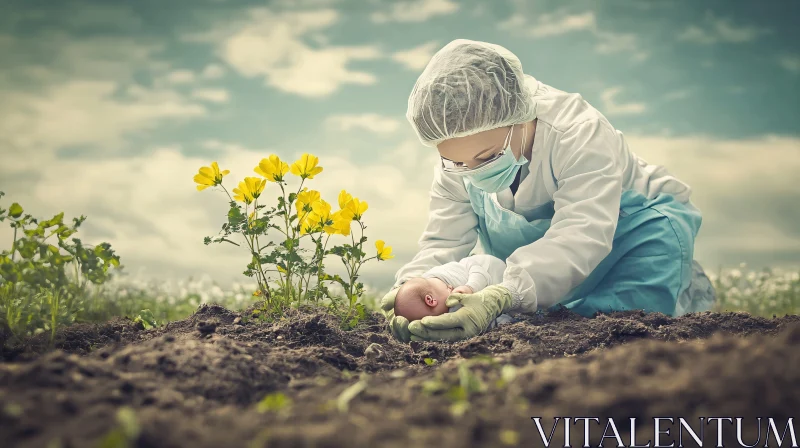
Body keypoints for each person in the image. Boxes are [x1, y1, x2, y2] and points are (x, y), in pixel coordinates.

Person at [380, 39, 716, 343]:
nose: (473, 171)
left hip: (636, 232)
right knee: (552, 327)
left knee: (625, 330)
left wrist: (504, 293)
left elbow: (579, 236)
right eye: (456, 162)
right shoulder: (457, 156)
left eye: (487, 157)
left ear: (518, 119)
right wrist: (411, 286)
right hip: (549, 263)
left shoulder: (579, 134)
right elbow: (445, 240)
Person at [393, 254, 515, 328]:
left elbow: (480, 273)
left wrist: (470, 287)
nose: (442, 319)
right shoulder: (433, 285)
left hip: (495, 272)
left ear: (431, 300)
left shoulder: (446, 276)